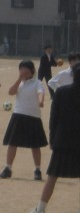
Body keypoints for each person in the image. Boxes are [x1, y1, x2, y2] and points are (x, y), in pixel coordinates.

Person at [31, 64, 80, 213]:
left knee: (52, 175)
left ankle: (40, 209)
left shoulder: (61, 92)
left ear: (73, 76)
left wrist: (52, 138)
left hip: (63, 139)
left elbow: (54, 118)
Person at [0, 60, 48, 181]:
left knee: (35, 146)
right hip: (18, 115)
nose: (23, 71)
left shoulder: (37, 83)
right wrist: (19, 79)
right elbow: (11, 92)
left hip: (33, 117)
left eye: (26, 69)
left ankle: (37, 170)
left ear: (32, 71)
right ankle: (8, 168)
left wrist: (41, 101)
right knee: (12, 143)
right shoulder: (19, 83)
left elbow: (40, 93)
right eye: (21, 69)